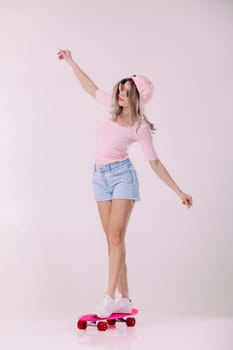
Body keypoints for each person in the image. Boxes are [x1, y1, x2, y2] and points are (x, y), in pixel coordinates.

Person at [57, 49, 193, 318]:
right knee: (112, 242)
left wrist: (179, 191)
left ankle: (109, 297)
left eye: (127, 92)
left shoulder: (140, 126)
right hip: (99, 177)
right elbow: (89, 87)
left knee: (117, 236)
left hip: (122, 178)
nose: (120, 94)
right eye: (121, 88)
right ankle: (125, 300)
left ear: (138, 99)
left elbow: (154, 162)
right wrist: (71, 61)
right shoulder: (110, 107)